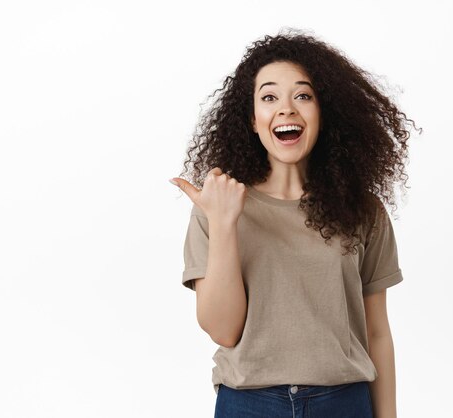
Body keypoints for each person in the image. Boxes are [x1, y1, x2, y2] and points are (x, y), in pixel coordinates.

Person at [169, 28, 419, 418]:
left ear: (324, 112)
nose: (286, 109)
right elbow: (223, 330)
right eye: (269, 97)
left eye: (303, 95)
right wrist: (222, 225)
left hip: (344, 403)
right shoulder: (217, 206)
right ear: (253, 119)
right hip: (247, 403)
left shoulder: (362, 210)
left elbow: (377, 333)